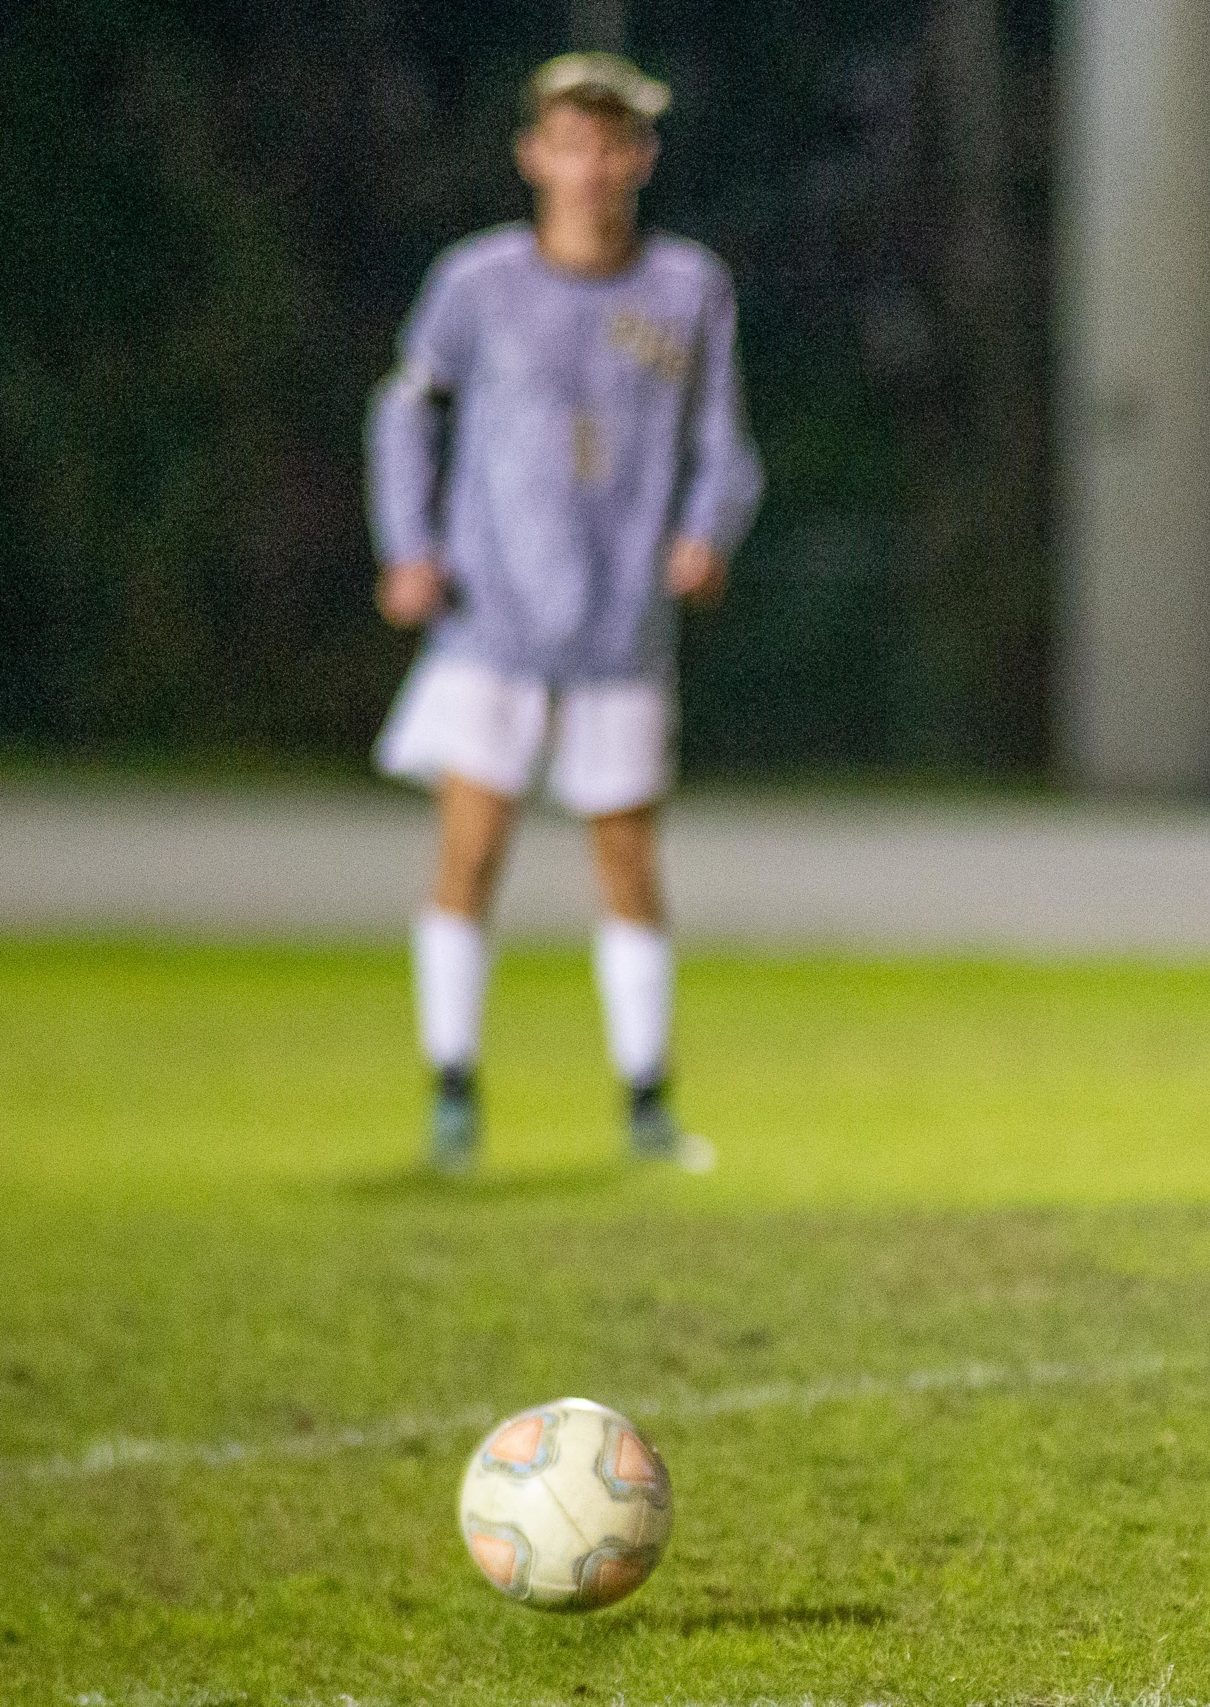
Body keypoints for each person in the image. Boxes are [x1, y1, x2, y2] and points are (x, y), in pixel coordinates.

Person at [367, 52, 762, 1175]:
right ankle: (452, 1090)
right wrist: (410, 549)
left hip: (619, 626)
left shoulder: (688, 287)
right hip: (493, 616)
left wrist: (704, 533)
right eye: (571, 142)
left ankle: (645, 1099)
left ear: (640, 157)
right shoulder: (478, 284)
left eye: (614, 144)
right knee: (472, 847)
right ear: (535, 154)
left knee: (629, 860)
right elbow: (406, 413)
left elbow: (725, 448)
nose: (592, 167)